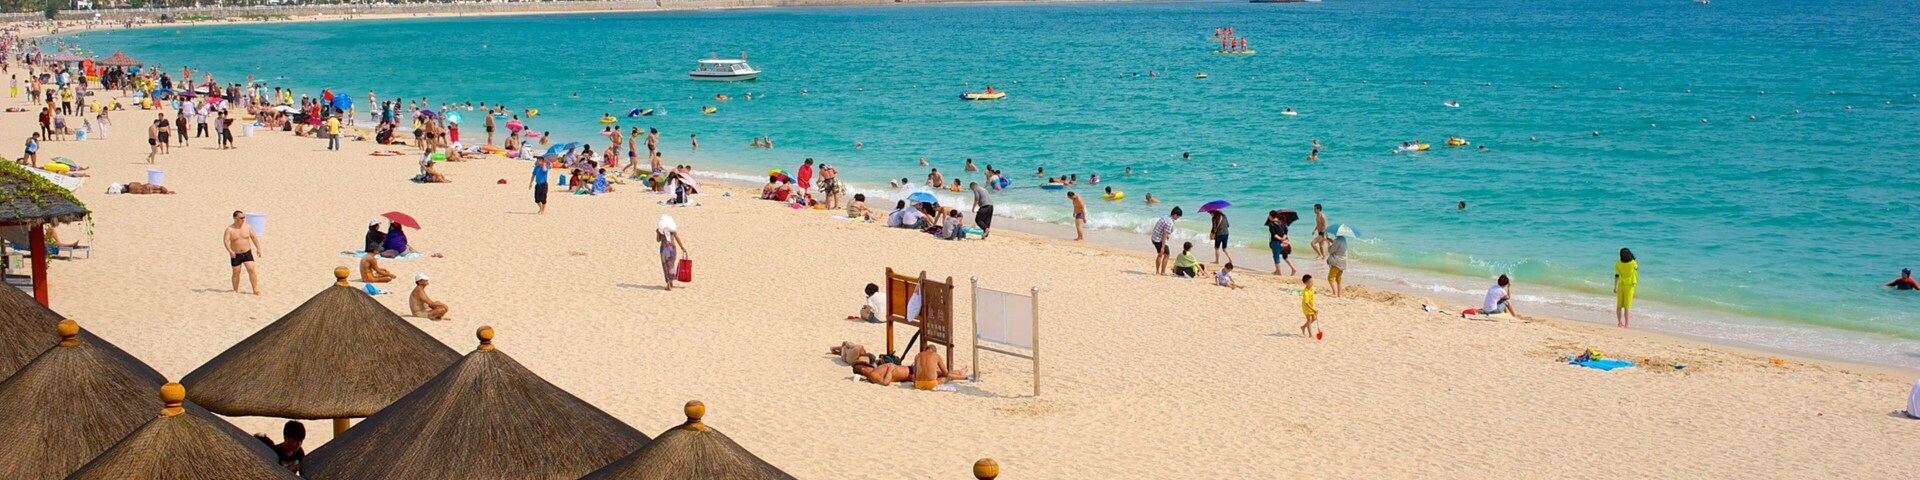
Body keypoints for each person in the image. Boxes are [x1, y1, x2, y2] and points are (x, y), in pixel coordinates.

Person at [224, 211, 262, 295]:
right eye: (241, 218)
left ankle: (255, 289)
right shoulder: (230, 229)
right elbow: (226, 241)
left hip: (247, 253)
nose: (243, 219)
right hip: (235, 254)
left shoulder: (247, 227)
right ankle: (235, 290)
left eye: (244, 217)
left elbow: (254, 238)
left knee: (251, 270)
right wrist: (230, 251)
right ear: (235, 218)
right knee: (236, 272)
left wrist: (258, 248)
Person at [659, 215, 688, 291]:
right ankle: (671, 282)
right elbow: (677, 237)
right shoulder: (672, 230)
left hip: (664, 249)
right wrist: (682, 247)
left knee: (665, 265)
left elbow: (658, 240)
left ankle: (668, 284)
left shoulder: (660, 230)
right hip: (672, 249)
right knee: (671, 265)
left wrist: (657, 233)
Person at [1150, 207, 1182, 275]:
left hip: (1154, 237)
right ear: (1175, 215)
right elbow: (1164, 234)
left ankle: (1158, 271)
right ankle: (1162, 272)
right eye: (1178, 217)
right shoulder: (1169, 223)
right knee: (1166, 255)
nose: (1177, 218)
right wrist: (1163, 247)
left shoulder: (1166, 217)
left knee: (1160, 254)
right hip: (1159, 239)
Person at [1265, 210, 1295, 275]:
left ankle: (1278, 272)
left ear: (1271, 216)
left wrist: (1280, 239)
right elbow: (1285, 232)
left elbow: (1274, 234)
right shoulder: (1282, 222)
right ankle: (1293, 269)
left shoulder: (1271, 224)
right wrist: (1283, 238)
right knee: (1285, 256)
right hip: (1284, 242)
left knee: (1276, 257)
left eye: (1269, 215)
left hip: (1276, 242)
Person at [1614, 248, 1638, 328]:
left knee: (1619, 305)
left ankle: (1619, 323)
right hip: (1630, 286)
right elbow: (1636, 268)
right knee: (1627, 306)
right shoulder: (1633, 263)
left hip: (1621, 285)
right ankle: (1627, 323)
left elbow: (1616, 276)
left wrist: (1615, 286)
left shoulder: (1618, 263)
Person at [1326, 233, 1348, 297]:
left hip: (1337, 262)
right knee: (1339, 278)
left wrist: (1328, 243)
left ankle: (1334, 293)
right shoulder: (1343, 239)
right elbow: (1338, 245)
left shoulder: (1336, 241)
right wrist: (1331, 241)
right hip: (1343, 262)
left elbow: (1330, 251)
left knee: (1330, 278)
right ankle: (1339, 294)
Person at [1299, 274, 1318, 338]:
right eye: (1310, 282)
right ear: (1305, 283)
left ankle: (1303, 327)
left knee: (1314, 318)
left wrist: (1314, 307)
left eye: (1312, 281)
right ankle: (1310, 334)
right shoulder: (1305, 292)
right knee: (1309, 320)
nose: (1312, 283)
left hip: (1311, 306)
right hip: (1306, 307)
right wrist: (1313, 309)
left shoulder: (1312, 289)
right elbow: (1306, 303)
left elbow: (1312, 299)